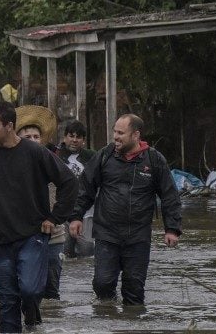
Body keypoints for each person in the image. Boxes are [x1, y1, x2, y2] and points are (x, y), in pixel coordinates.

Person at [0, 102, 78, 333]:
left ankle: (33, 326)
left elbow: (69, 183)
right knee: (6, 302)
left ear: (9, 126)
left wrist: (55, 217)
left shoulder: (36, 153)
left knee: (29, 290)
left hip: (32, 237)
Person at [69, 114, 182, 306]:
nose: (116, 137)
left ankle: (132, 331)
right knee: (103, 284)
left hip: (138, 235)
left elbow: (170, 195)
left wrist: (171, 228)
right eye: (115, 131)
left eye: (121, 133)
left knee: (134, 291)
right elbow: (86, 187)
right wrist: (76, 216)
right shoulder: (104, 156)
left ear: (136, 135)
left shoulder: (154, 160)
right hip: (106, 233)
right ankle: (108, 318)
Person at [15, 104, 66, 300]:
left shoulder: (53, 163)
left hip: (52, 233)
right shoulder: (7, 163)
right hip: (19, 235)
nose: (33, 141)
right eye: (28, 137)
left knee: (50, 292)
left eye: (36, 137)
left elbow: (68, 188)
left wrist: (55, 217)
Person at [55, 120, 96, 258]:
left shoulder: (92, 157)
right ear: (65, 137)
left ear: (83, 140)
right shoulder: (55, 157)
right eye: (71, 136)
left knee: (87, 249)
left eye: (78, 137)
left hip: (86, 211)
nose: (74, 140)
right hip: (62, 211)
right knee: (64, 251)